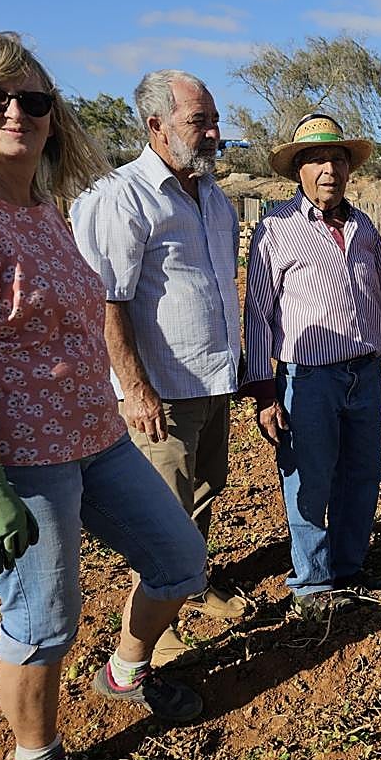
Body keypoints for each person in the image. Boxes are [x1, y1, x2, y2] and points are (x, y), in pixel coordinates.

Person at [0, 32, 207, 760]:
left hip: (98, 438)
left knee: (179, 560)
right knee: (43, 623)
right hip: (20, 461)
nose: (16, 113)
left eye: (33, 100)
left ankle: (125, 671)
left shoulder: (44, 210)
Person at [71, 69, 248, 665]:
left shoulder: (213, 195)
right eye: (199, 121)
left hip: (212, 377)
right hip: (161, 391)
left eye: (214, 120)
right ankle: (154, 628)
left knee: (203, 489)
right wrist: (134, 388)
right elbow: (107, 300)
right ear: (156, 125)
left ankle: (191, 586)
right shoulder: (121, 196)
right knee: (162, 511)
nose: (213, 133)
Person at [242, 114, 381, 616]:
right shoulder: (275, 229)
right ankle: (313, 585)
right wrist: (265, 392)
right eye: (316, 160)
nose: (328, 170)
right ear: (298, 169)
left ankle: (348, 567)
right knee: (309, 480)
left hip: (365, 374)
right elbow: (258, 314)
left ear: (348, 168)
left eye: (337, 159)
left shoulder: (364, 228)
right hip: (308, 379)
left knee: (362, 474)